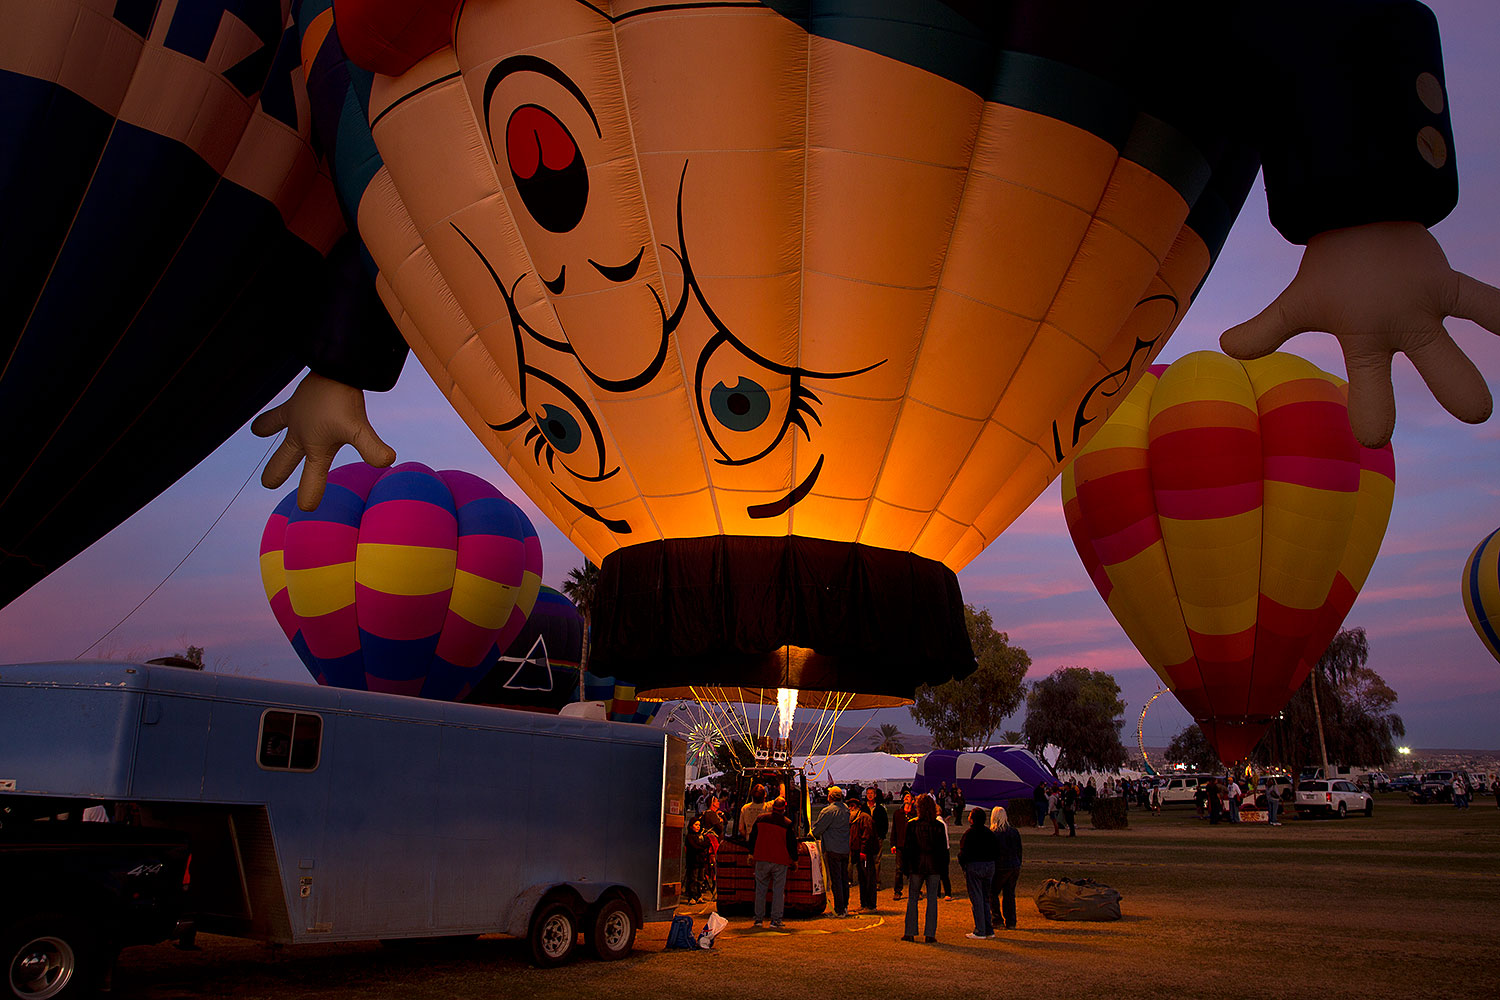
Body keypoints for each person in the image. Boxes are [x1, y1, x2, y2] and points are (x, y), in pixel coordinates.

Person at [900, 795, 948, 943]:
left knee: (913, 898)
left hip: (916, 866)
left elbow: (907, 848)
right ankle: (930, 933)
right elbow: (943, 850)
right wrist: (943, 868)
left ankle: (910, 932)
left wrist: (906, 867)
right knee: (932, 899)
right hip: (934, 866)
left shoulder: (912, 825)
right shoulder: (938, 826)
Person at [748, 797, 797, 929]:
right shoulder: (787, 823)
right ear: (784, 809)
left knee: (760, 890)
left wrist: (751, 853)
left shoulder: (761, 819)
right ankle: (776, 920)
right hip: (780, 860)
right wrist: (794, 859)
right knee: (778, 891)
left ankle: (758, 919)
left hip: (762, 857)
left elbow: (753, 837)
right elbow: (791, 844)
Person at [958, 807, 998, 940]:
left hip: (975, 866)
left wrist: (964, 864)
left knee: (977, 899)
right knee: (985, 898)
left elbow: (963, 852)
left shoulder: (969, 834)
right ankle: (989, 929)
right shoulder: (989, 833)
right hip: (989, 866)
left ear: (972, 819)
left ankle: (980, 930)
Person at [813, 785, 852, 917]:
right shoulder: (846, 810)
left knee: (836, 880)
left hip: (833, 849)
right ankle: (845, 906)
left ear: (830, 796)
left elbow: (817, 830)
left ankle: (839, 909)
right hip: (844, 849)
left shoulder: (828, 811)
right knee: (843, 879)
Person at [991, 806, 1023, 931]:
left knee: (992, 893)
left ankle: (997, 919)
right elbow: (1019, 850)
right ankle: (1011, 921)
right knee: (1009, 894)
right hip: (1013, 866)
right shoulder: (1014, 832)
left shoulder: (994, 834)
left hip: (1000, 867)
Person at [849, 796, 876, 911]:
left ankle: (870, 905)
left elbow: (867, 836)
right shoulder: (853, 819)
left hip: (865, 854)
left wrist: (863, 851)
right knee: (862, 878)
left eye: (853, 806)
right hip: (857, 853)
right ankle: (864, 903)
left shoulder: (864, 818)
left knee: (868, 878)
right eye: (849, 806)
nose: (850, 808)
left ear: (858, 807)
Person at [861, 787, 888, 904]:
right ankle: (866, 880)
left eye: (871, 793)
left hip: (877, 837)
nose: (870, 795)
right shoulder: (863, 808)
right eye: (868, 793)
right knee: (865, 860)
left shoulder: (880, 809)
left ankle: (876, 881)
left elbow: (885, 823)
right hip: (865, 838)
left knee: (877, 860)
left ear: (875, 795)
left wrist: (881, 835)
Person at [890, 792, 913, 901]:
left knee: (913, 870)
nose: (906, 798)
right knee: (899, 869)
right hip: (900, 845)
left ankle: (915, 890)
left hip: (912, 846)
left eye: (908, 797)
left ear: (912, 800)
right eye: (905, 797)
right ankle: (897, 891)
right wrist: (893, 844)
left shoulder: (915, 814)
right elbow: (894, 829)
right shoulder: (898, 814)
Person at [684, 818, 710, 903]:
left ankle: (699, 895)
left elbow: (707, 843)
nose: (698, 827)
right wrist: (702, 847)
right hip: (693, 861)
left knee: (700, 879)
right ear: (691, 826)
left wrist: (702, 846)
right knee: (693, 879)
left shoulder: (702, 836)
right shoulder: (690, 837)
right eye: (696, 825)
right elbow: (694, 847)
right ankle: (692, 896)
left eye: (699, 825)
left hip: (701, 861)